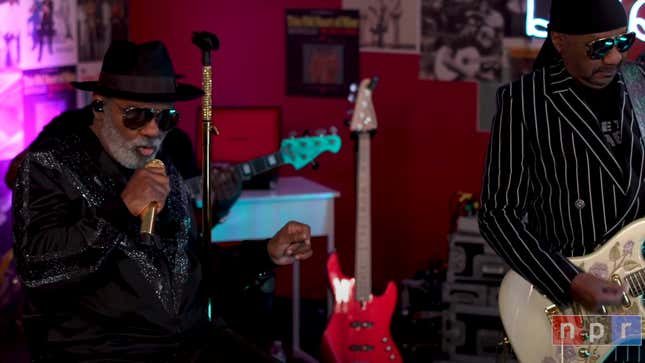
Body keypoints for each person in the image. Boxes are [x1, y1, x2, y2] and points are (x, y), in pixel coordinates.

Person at [12, 40, 313, 362]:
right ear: (99, 105)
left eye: (165, 117)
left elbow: (193, 265)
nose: (153, 130)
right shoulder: (50, 165)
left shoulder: (165, 165)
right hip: (105, 351)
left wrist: (265, 253)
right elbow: (38, 269)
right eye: (136, 115)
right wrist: (121, 208)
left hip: (192, 343)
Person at [479, 0, 643, 361]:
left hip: (638, 296)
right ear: (559, 40)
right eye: (599, 47)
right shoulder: (524, 103)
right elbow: (497, 214)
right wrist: (568, 279)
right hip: (571, 305)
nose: (615, 58)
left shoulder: (639, 86)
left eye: (623, 43)